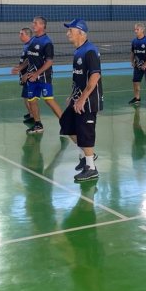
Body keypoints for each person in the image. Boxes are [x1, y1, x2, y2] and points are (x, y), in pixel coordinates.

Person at [59, 19, 103, 182]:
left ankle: (91, 168)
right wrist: (72, 96)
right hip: (77, 98)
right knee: (66, 124)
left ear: (80, 32)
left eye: (70, 31)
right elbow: (78, 78)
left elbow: (95, 76)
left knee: (85, 133)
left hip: (88, 101)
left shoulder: (90, 50)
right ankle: (87, 155)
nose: (67, 34)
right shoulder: (78, 51)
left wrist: (82, 99)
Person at [23, 16, 63, 134]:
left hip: (44, 76)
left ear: (42, 25)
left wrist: (36, 74)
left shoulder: (47, 42)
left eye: (35, 23)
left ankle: (65, 124)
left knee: (49, 100)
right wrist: (24, 71)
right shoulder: (32, 40)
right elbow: (30, 58)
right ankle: (38, 124)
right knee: (32, 100)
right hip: (32, 76)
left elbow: (49, 62)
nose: (33, 25)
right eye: (33, 22)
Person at [128, 23, 146, 108]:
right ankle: (137, 98)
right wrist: (132, 61)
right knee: (135, 82)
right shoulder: (134, 41)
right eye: (135, 29)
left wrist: (145, 64)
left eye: (137, 29)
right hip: (137, 65)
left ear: (142, 30)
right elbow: (132, 52)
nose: (135, 31)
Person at [10, 27, 34, 125]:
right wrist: (19, 67)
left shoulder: (31, 45)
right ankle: (31, 113)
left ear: (27, 35)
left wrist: (26, 73)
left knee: (27, 97)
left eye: (21, 34)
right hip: (24, 73)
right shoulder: (26, 45)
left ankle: (33, 116)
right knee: (26, 96)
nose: (19, 36)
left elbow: (31, 61)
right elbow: (25, 60)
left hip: (27, 75)